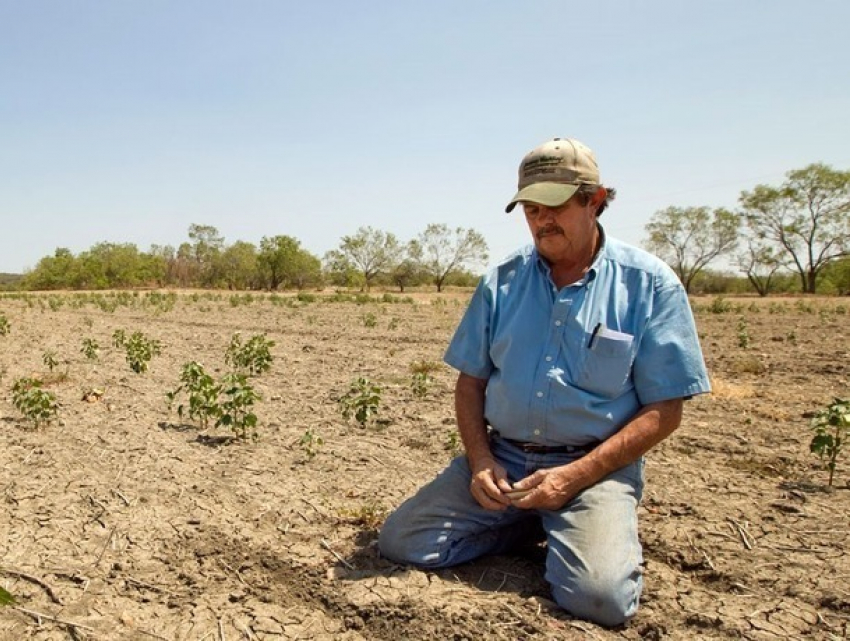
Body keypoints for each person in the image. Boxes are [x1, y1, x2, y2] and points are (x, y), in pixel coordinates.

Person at [378, 137, 711, 627]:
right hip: (505, 460)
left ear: (595, 201)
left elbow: (666, 410)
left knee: (600, 600)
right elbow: (470, 383)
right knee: (402, 542)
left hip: (591, 470)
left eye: (554, 206)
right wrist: (481, 460)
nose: (542, 220)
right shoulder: (502, 281)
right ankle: (524, 521)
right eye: (531, 209)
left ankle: (574, 527)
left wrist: (571, 479)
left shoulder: (649, 284)